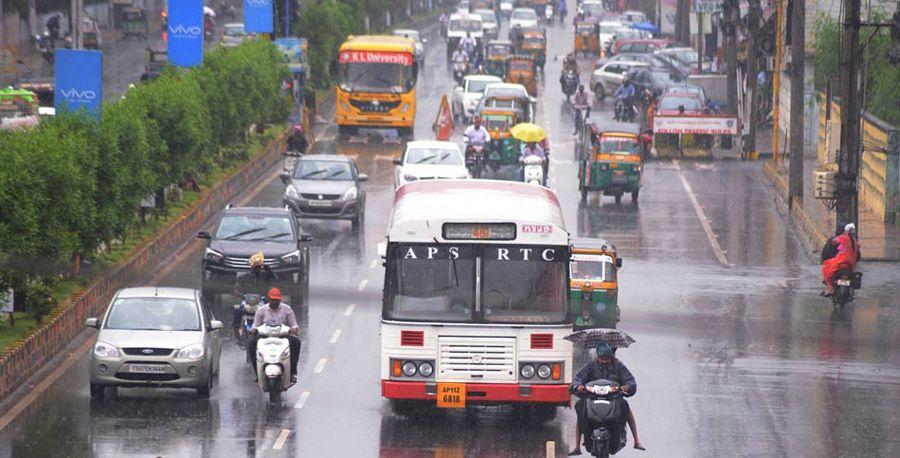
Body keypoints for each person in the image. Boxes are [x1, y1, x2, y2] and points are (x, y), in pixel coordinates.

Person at [569, 342, 645, 455]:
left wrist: (627, 387)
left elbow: (631, 381)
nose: (604, 361)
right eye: (602, 358)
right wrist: (578, 386)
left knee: (625, 406)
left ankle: (636, 441)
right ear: (597, 357)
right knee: (580, 406)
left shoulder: (619, 366)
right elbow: (577, 379)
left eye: (607, 358)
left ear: (612, 356)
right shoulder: (590, 366)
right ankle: (577, 446)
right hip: (592, 398)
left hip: (614, 398)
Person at [247, 288, 302, 383]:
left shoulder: (287, 309)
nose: (275, 302)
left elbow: (294, 324)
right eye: (273, 300)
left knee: (296, 342)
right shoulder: (261, 310)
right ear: (269, 299)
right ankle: (257, 373)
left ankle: (292, 372)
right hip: (265, 337)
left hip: (283, 337)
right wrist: (254, 330)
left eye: (277, 300)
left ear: (280, 300)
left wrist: (294, 329)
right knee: (252, 343)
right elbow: (255, 326)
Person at [232, 252, 277, 328]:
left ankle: (271, 328)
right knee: (237, 310)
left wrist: (268, 269)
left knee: (271, 311)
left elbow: (275, 280)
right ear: (251, 266)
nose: (256, 269)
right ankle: (236, 328)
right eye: (255, 267)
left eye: (258, 267)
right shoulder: (244, 276)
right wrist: (239, 294)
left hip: (262, 300)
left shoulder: (265, 275)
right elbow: (236, 287)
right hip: (247, 301)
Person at [821, 223, 861, 296]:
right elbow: (858, 256)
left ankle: (830, 288)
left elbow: (825, 254)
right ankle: (850, 290)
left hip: (839, 263)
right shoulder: (854, 241)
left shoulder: (840, 239)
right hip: (849, 266)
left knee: (826, 270)